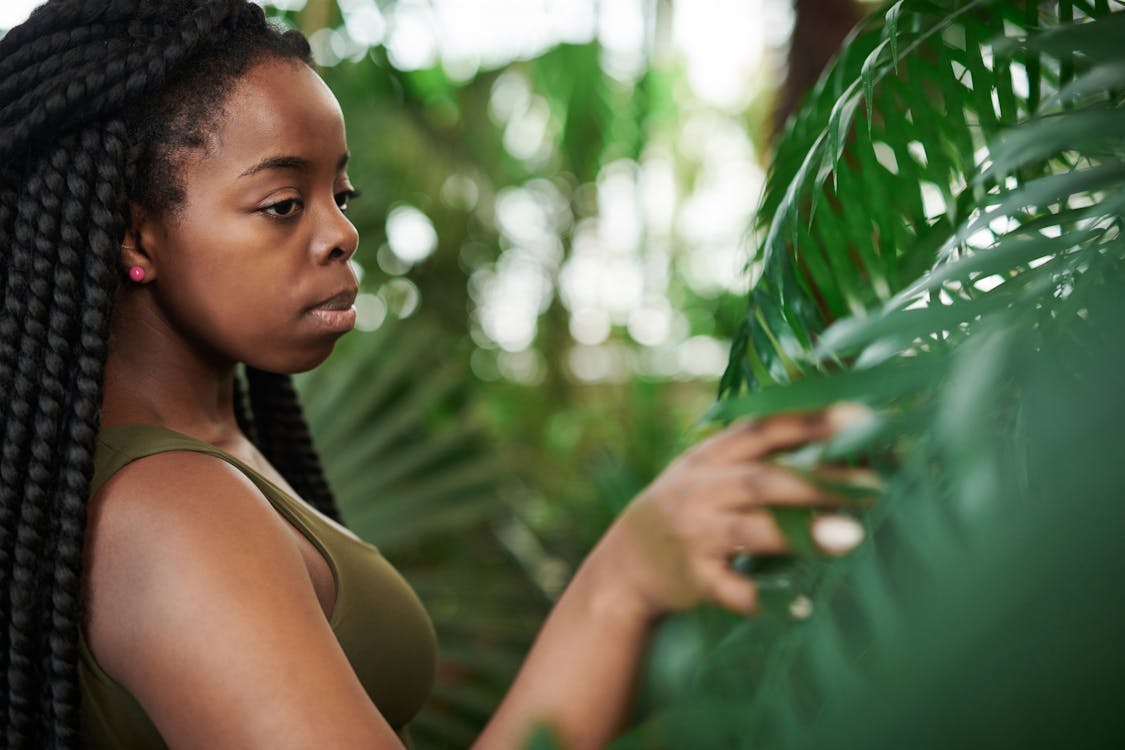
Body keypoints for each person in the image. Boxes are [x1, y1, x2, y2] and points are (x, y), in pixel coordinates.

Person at [0, 1, 870, 748]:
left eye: (342, 196)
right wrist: (619, 583)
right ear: (135, 233)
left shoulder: (215, 455)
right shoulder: (170, 512)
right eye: (280, 204)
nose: (339, 233)